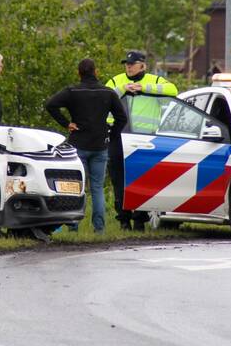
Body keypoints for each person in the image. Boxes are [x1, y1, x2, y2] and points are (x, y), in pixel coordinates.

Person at [44, 58, 127, 233]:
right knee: (97, 188)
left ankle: (73, 226)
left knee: (76, 187)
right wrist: (111, 134)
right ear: (96, 72)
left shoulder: (72, 91)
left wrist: (66, 123)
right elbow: (122, 118)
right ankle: (100, 229)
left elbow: (50, 105)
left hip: (78, 145)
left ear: (78, 73)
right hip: (100, 146)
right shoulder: (108, 92)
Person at [105, 50, 177, 231]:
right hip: (118, 137)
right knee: (119, 179)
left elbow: (173, 90)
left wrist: (144, 89)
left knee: (142, 180)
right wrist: (123, 89)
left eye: (132, 64)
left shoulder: (154, 81)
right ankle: (123, 219)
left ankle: (140, 219)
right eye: (126, 64)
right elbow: (104, 96)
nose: (128, 67)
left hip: (145, 139)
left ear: (143, 65)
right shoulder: (116, 81)